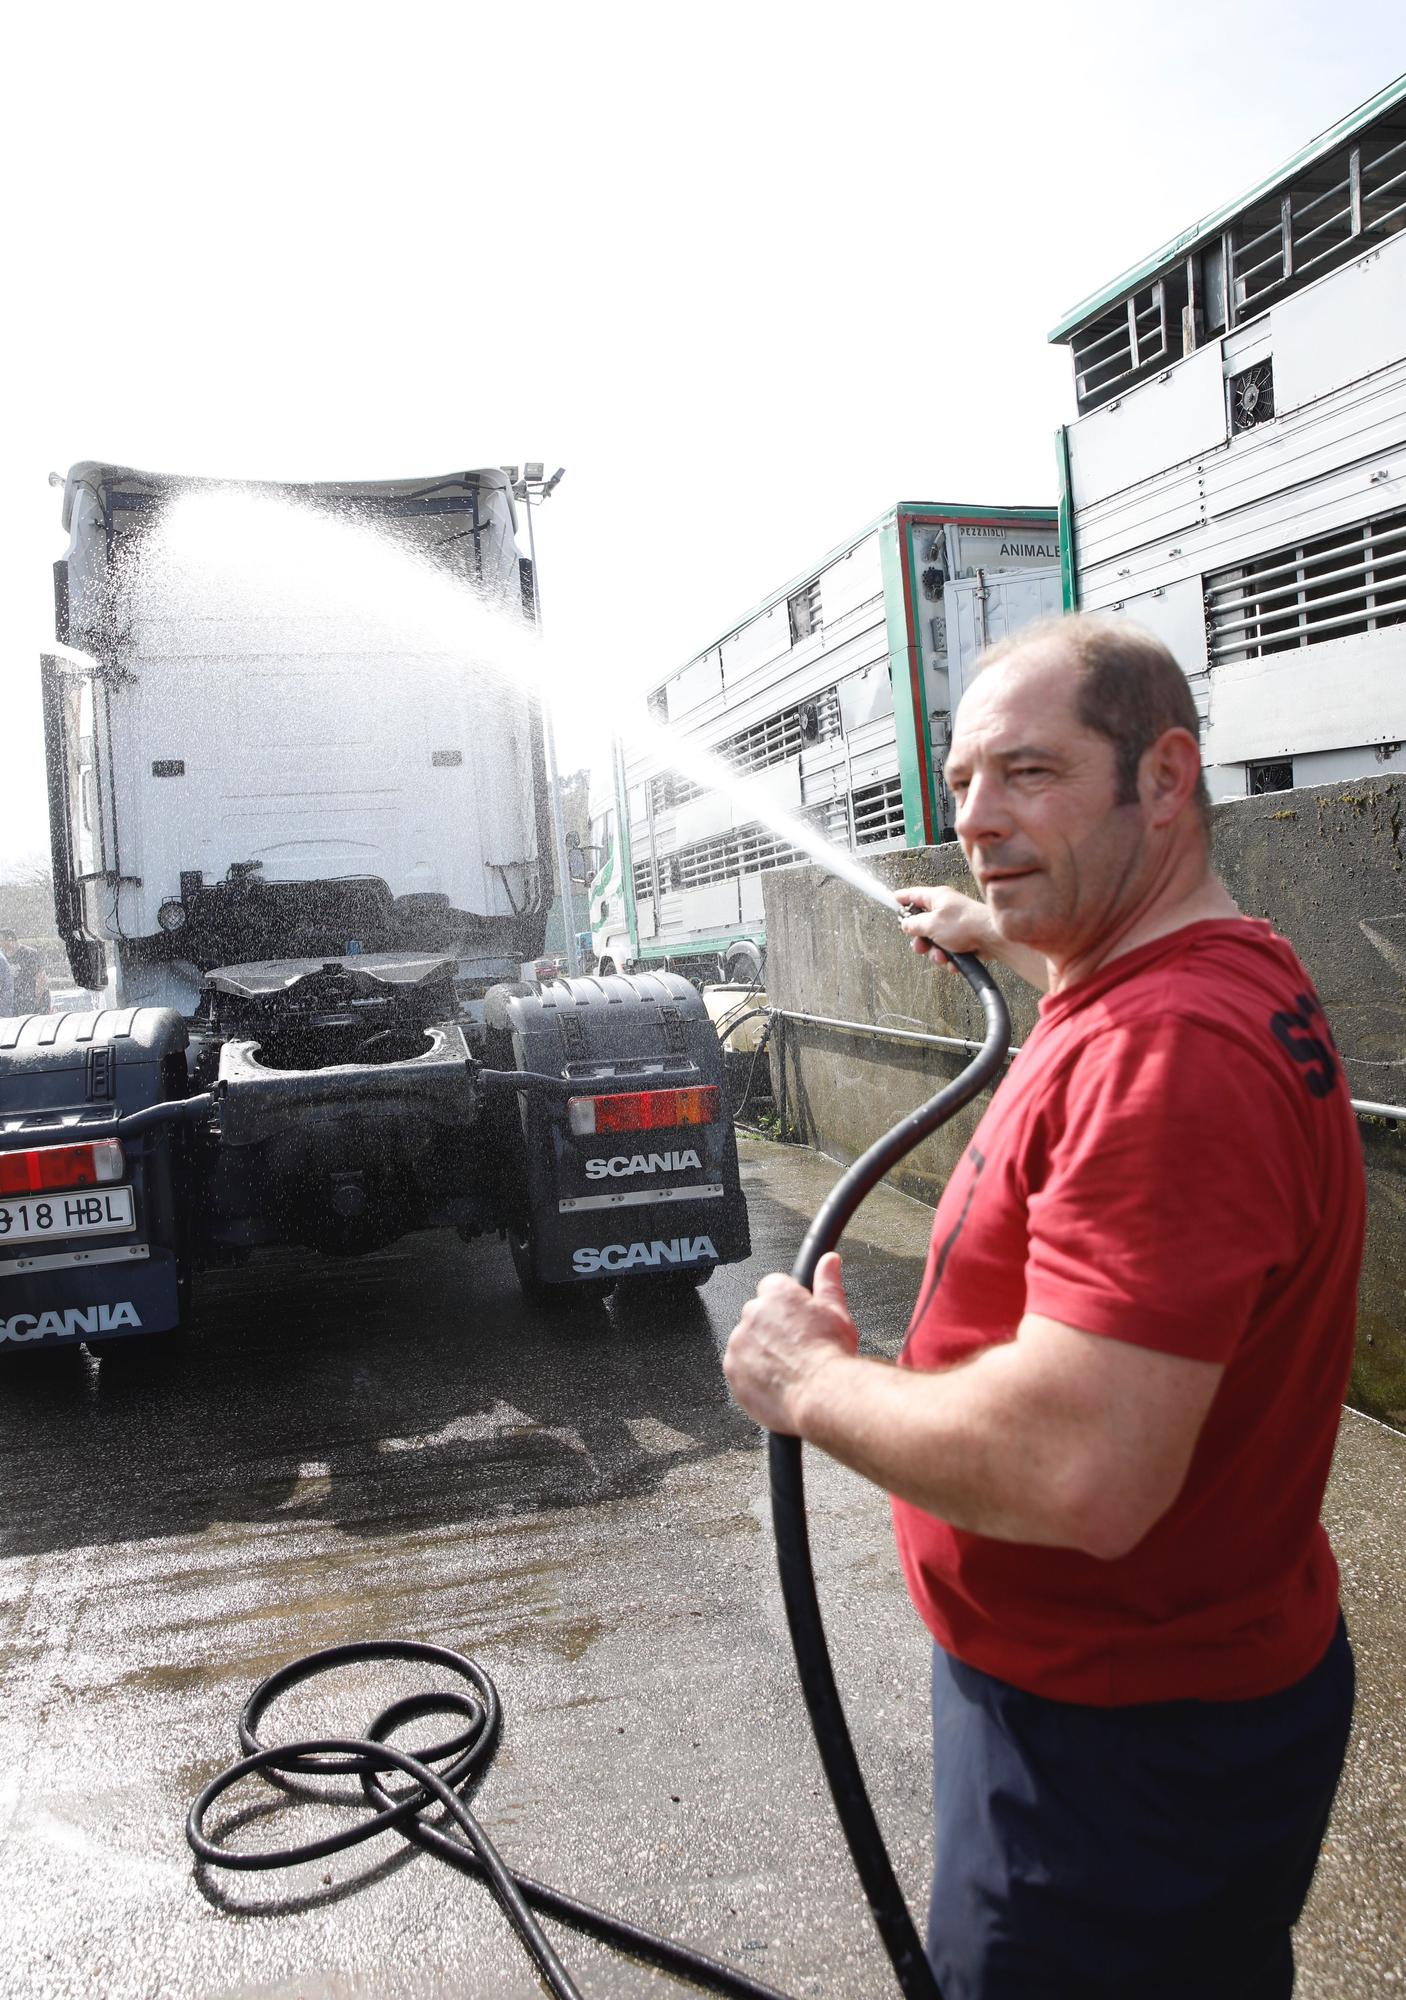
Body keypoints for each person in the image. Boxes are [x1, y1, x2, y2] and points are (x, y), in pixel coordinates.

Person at [723, 614, 1365, 2000]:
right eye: (958, 783)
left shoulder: (1163, 1062)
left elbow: (1080, 1471)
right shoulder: (1209, 966)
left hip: (1113, 1759)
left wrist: (811, 1385)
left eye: (1027, 774)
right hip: (1163, 1697)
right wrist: (996, 933)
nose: (975, 819)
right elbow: (1115, 979)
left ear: (1165, 777)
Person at [0, 928, 47, 1015]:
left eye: (1, 940)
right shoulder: (3, 957)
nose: (0, 943)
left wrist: (38, 997)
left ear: (10, 940)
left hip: (31, 999)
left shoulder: (29, 954)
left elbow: (41, 976)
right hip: (15, 1002)